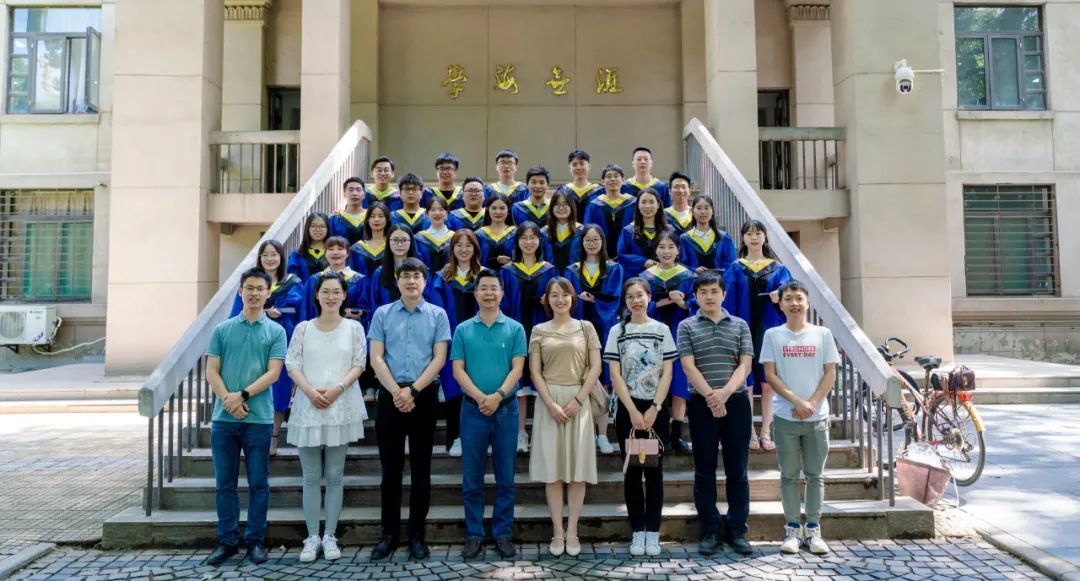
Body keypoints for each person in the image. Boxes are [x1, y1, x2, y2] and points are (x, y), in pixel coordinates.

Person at [368, 258, 451, 561]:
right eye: (405, 276)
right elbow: (376, 358)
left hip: (423, 396)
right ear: (397, 281)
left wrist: (413, 390)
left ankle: (417, 534)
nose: (411, 281)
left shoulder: (437, 315)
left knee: (421, 470)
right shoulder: (382, 313)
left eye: (417, 276)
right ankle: (389, 534)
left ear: (425, 281)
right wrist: (396, 392)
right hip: (390, 395)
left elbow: (439, 358)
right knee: (390, 471)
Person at [204, 268, 287, 567]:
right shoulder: (222, 330)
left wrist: (242, 396)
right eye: (249, 288)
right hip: (224, 420)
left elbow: (273, 373)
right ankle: (226, 541)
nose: (254, 293)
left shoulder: (276, 331)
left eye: (259, 288)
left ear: (268, 292)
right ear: (240, 292)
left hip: (259, 419)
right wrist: (229, 400)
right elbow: (211, 371)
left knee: (258, 484)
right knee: (224, 484)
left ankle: (255, 541)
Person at [285, 273, 367, 563]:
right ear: (316, 295)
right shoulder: (303, 328)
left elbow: (359, 363)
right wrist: (309, 392)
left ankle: (330, 535)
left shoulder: (354, 328)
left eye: (336, 292)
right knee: (310, 476)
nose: (331, 297)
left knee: (335, 475)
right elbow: (292, 363)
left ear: (344, 296)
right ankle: (312, 537)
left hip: (340, 406)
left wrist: (336, 390)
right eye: (325, 292)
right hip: (308, 405)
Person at [451, 269, 528, 560]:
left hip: (506, 410)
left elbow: (518, 368)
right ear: (475, 293)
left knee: (506, 477)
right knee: (472, 477)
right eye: (483, 288)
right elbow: (458, 370)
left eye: (494, 288)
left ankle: (503, 533)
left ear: (502, 293)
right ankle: (474, 534)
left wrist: (496, 396)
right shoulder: (463, 329)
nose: (488, 293)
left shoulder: (515, 328)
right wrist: (481, 397)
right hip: (473, 410)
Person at [678, 270, 754, 557]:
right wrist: (711, 396)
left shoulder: (740, 325)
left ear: (724, 294)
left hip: (736, 403)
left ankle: (737, 529)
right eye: (703, 292)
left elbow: (745, 365)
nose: (709, 297)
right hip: (701, 404)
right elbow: (688, 366)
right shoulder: (687, 326)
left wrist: (724, 394)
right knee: (704, 470)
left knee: (738, 470)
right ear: (695, 297)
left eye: (714, 291)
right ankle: (709, 529)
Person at [760, 279, 838, 555]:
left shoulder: (823, 334)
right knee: (789, 476)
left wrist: (812, 404)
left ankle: (814, 529)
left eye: (798, 298)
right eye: (788, 299)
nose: (794, 303)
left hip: (817, 417)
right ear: (780, 304)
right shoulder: (773, 335)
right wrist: (796, 401)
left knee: (816, 475)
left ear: (808, 303)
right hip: (785, 416)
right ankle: (793, 529)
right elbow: (770, 374)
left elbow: (830, 372)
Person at [528, 277, 601, 558]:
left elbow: (595, 367)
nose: (560, 300)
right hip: (549, 403)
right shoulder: (538, 330)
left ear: (573, 298)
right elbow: (535, 372)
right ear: (546, 300)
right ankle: (557, 531)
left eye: (565, 294)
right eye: (554, 295)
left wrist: (578, 400)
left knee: (578, 473)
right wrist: (550, 404)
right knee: (553, 473)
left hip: (578, 401)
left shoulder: (586, 328)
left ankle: (573, 531)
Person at [605, 277, 675, 557]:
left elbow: (667, 373)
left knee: (655, 472)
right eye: (630, 296)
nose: (636, 300)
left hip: (656, 408)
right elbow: (615, 374)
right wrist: (633, 411)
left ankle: (653, 532)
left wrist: (655, 407)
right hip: (628, 409)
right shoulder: (617, 331)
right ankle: (637, 531)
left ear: (649, 297)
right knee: (632, 471)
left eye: (640, 295)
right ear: (625, 301)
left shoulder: (662, 330)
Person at [228, 240, 303, 456]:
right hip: (254, 343)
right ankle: (252, 436)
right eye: (265, 255)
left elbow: (301, 315)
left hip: (283, 341)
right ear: (259, 258)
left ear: (281, 257)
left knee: (279, 390)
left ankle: (273, 436)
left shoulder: (293, 283)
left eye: (274, 254)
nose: (270, 259)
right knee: (253, 387)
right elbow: (236, 314)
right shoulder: (251, 284)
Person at [722, 219, 792, 452]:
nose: (753, 237)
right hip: (742, 329)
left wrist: (779, 296)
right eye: (749, 233)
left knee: (768, 382)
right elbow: (728, 301)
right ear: (742, 238)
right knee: (746, 382)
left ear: (765, 237)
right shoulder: (735, 268)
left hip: (769, 328)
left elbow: (789, 295)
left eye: (758, 233)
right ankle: (750, 431)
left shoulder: (778, 268)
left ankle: (766, 431)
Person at [565, 225, 623, 454]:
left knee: (603, 381)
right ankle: (585, 432)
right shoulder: (572, 270)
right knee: (580, 379)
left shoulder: (613, 268)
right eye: (587, 240)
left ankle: (602, 434)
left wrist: (594, 301)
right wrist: (578, 301)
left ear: (603, 242)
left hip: (603, 327)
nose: (591, 243)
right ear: (581, 243)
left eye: (596, 239)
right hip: (577, 328)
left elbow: (614, 299)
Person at [500, 222, 558, 453]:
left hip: (543, 330)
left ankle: (543, 434)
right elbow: (503, 304)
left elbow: (559, 301)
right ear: (517, 242)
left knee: (542, 381)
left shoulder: (550, 270)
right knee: (520, 384)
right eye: (523, 237)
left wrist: (547, 302)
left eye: (533, 237)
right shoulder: (507, 271)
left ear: (539, 241)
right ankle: (521, 433)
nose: (528, 242)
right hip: (516, 332)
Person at [428, 229, 486, 457]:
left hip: (480, 339)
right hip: (452, 339)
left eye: (468, 245)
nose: (463, 249)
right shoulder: (442, 277)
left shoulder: (483, 275)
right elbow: (437, 310)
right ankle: (456, 437)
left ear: (475, 249)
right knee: (455, 388)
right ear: (452, 249)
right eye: (458, 245)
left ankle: (480, 438)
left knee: (479, 385)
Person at [641, 231, 697, 453]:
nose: (666, 251)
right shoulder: (646, 277)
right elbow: (636, 304)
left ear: (678, 250)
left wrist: (682, 303)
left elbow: (696, 305)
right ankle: (658, 431)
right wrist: (663, 302)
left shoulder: (688, 276)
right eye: (661, 247)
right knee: (653, 381)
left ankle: (677, 434)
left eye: (671, 247)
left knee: (679, 383)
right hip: (651, 334)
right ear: (655, 250)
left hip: (679, 332)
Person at [302, 236, 368, 325]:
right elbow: (307, 309)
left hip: (349, 327)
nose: (335, 252)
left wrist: (355, 312)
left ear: (347, 253)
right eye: (331, 249)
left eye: (340, 249)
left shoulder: (359, 280)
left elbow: (365, 309)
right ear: (325, 253)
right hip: (320, 327)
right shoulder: (315, 280)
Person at [583, 164, 636, 259]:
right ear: (602, 181)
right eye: (608, 176)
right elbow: (587, 230)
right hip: (600, 255)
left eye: (616, 176)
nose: (612, 179)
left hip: (629, 255)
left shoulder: (632, 203)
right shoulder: (594, 205)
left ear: (623, 180)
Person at [368, 225, 420, 321]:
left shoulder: (420, 273)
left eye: (404, 240)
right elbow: (374, 305)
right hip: (387, 325)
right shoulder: (379, 273)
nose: (399, 244)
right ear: (388, 242)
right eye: (395, 240)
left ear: (411, 242)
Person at [616, 188, 670, 280]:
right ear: (638, 205)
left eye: (651, 202)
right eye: (643, 202)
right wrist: (643, 262)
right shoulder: (628, 231)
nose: (647, 206)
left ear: (658, 205)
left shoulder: (669, 230)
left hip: (664, 278)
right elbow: (621, 255)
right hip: (637, 281)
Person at [679, 194, 737, 274]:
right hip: (694, 281)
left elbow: (731, 266)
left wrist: (716, 274)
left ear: (712, 211)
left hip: (720, 281)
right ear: (692, 211)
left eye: (706, 208)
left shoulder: (724, 238)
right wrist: (694, 270)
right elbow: (682, 266)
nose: (703, 212)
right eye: (699, 208)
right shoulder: (685, 239)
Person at [540, 191, 584, 275]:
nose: (561, 207)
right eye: (557, 204)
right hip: (550, 279)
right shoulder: (543, 233)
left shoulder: (582, 231)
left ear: (571, 207)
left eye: (565, 204)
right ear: (551, 207)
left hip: (575, 278)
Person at [554, 149, 603, 216]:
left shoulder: (598, 191)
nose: (578, 167)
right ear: (570, 168)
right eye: (574, 164)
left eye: (582, 164)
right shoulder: (563, 191)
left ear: (589, 166)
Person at [477, 193, 517, 271]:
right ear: (488, 210)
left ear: (508, 210)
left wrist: (510, 261)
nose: (498, 212)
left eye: (502, 208)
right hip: (483, 276)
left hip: (509, 276)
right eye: (494, 208)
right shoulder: (478, 235)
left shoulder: (516, 233)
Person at [414, 196, 455, 273]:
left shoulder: (455, 237)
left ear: (447, 213)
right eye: (433, 210)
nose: (437, 213)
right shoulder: (418, 238)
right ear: (427, 214)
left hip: (449, 278)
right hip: (424, 278)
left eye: (441, 209)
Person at [348, 202, 390, 277]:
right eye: (372, 216)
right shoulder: (356, 249)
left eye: (381, 216)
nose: (376, 219)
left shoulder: (393, 246)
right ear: (367, 220)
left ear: (387, 219)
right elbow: (352, 277)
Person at [286, 213, 330, 280]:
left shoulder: (334, 253)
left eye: (322, 226)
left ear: (328, 228)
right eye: (313, 226)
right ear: (307, 228)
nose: (318, 229)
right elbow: (293, 281)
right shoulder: (296, 255)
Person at [329, 177, 368, 245]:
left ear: (364, 195)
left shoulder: (370, 216)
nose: (355, 193)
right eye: (351, 190)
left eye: (358, 190)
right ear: (344, 194)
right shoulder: (335, 219)